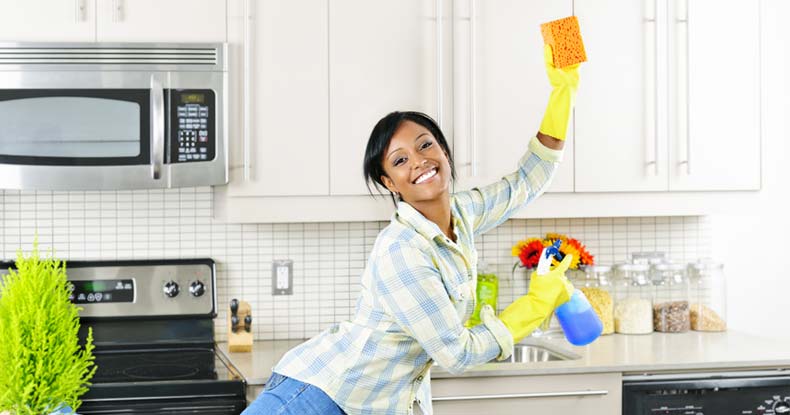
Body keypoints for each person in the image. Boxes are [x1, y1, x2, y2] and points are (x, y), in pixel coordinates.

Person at [242, 44, 580, 415]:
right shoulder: (402, 250)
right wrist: (535, 305)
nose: (419, 162)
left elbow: (529, 180)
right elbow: (458, 353)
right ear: (389, 182)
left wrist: (563, 92)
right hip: (315, 398)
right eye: (400, 160)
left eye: (426, 145)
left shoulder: (462, 213)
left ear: (445, 153)